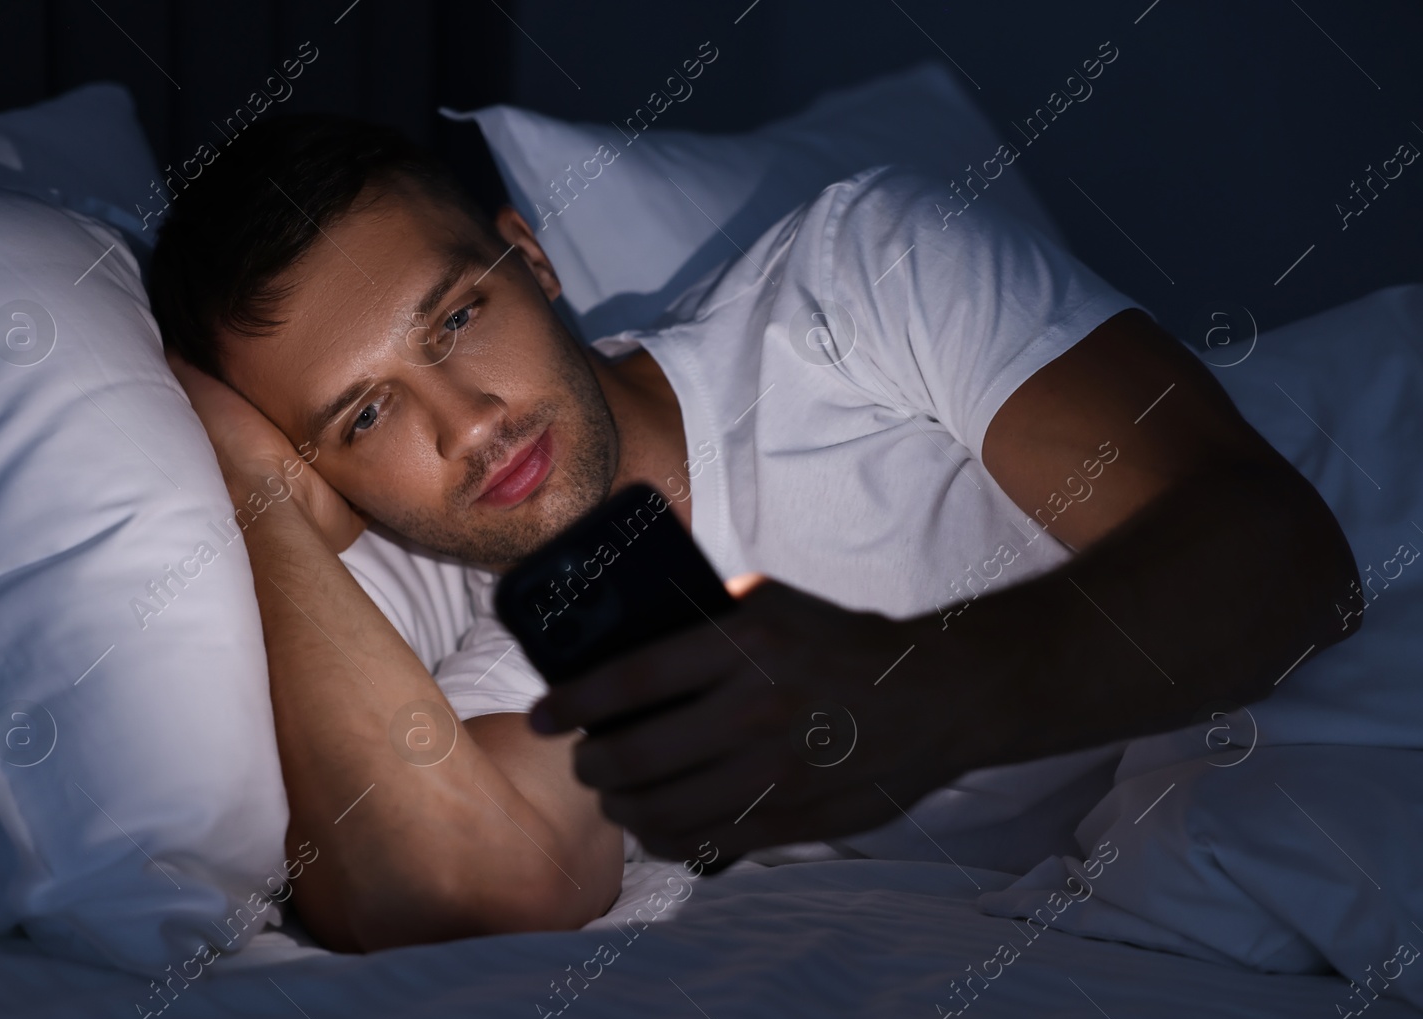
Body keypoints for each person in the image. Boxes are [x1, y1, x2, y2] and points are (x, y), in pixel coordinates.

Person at [147, 115, 1359, 954]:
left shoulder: (856, 280)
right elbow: (464, 885)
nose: (467, 424)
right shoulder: (520, 661)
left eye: (459, 317)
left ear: (532, 258)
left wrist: (919, 692)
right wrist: (258, 498)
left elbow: (1284, 554)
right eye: (364, 413)